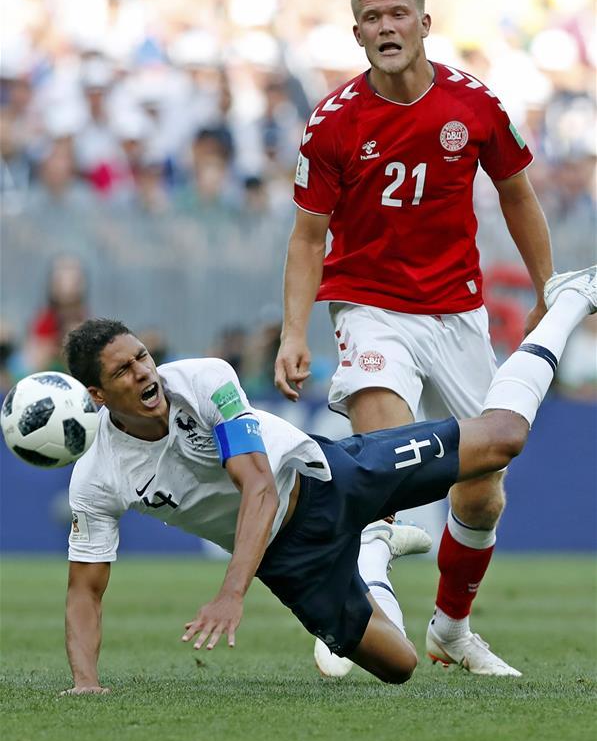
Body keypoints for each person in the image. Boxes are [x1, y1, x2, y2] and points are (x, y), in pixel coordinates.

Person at [60, 266, 595, 693]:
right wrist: (86, 683)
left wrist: (231, 592)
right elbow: (85, 590)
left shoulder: (205, 380)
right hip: (290, 563)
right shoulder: (98, 476)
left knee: (502, 438)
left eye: (143, 357)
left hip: (329, 476)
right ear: (98, 396)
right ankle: (372, 550)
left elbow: (260, 487)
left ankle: (570, 300)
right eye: (124, 371)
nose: (145, 373)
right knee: (399, 666)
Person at [274, 0, 554, 678]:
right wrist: (293, 333)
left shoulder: (472, 105)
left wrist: (547, 285)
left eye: (396, 14)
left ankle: (452, 629)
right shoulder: (332, 123)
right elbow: (308, 238)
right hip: (369, 305)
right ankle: (357, 612)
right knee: (386, 452)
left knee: (484, 489)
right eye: (371, 18)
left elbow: (518, 196)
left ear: (423, 23)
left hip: (456, 311)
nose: (385, 28)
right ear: (357, 31)